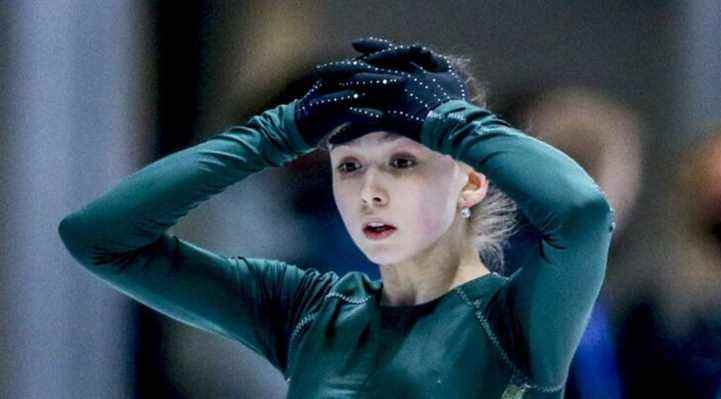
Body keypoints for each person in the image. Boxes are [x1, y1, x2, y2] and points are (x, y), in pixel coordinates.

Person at [58, 37, 615, 398]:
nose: (369, 191)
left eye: (401, 162)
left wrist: (455, 123)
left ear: (469, 181)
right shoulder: (307, 310)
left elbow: (584, 216)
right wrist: (275, 134)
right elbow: (100, 239)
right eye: (349, 166)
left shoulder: (515, 318)